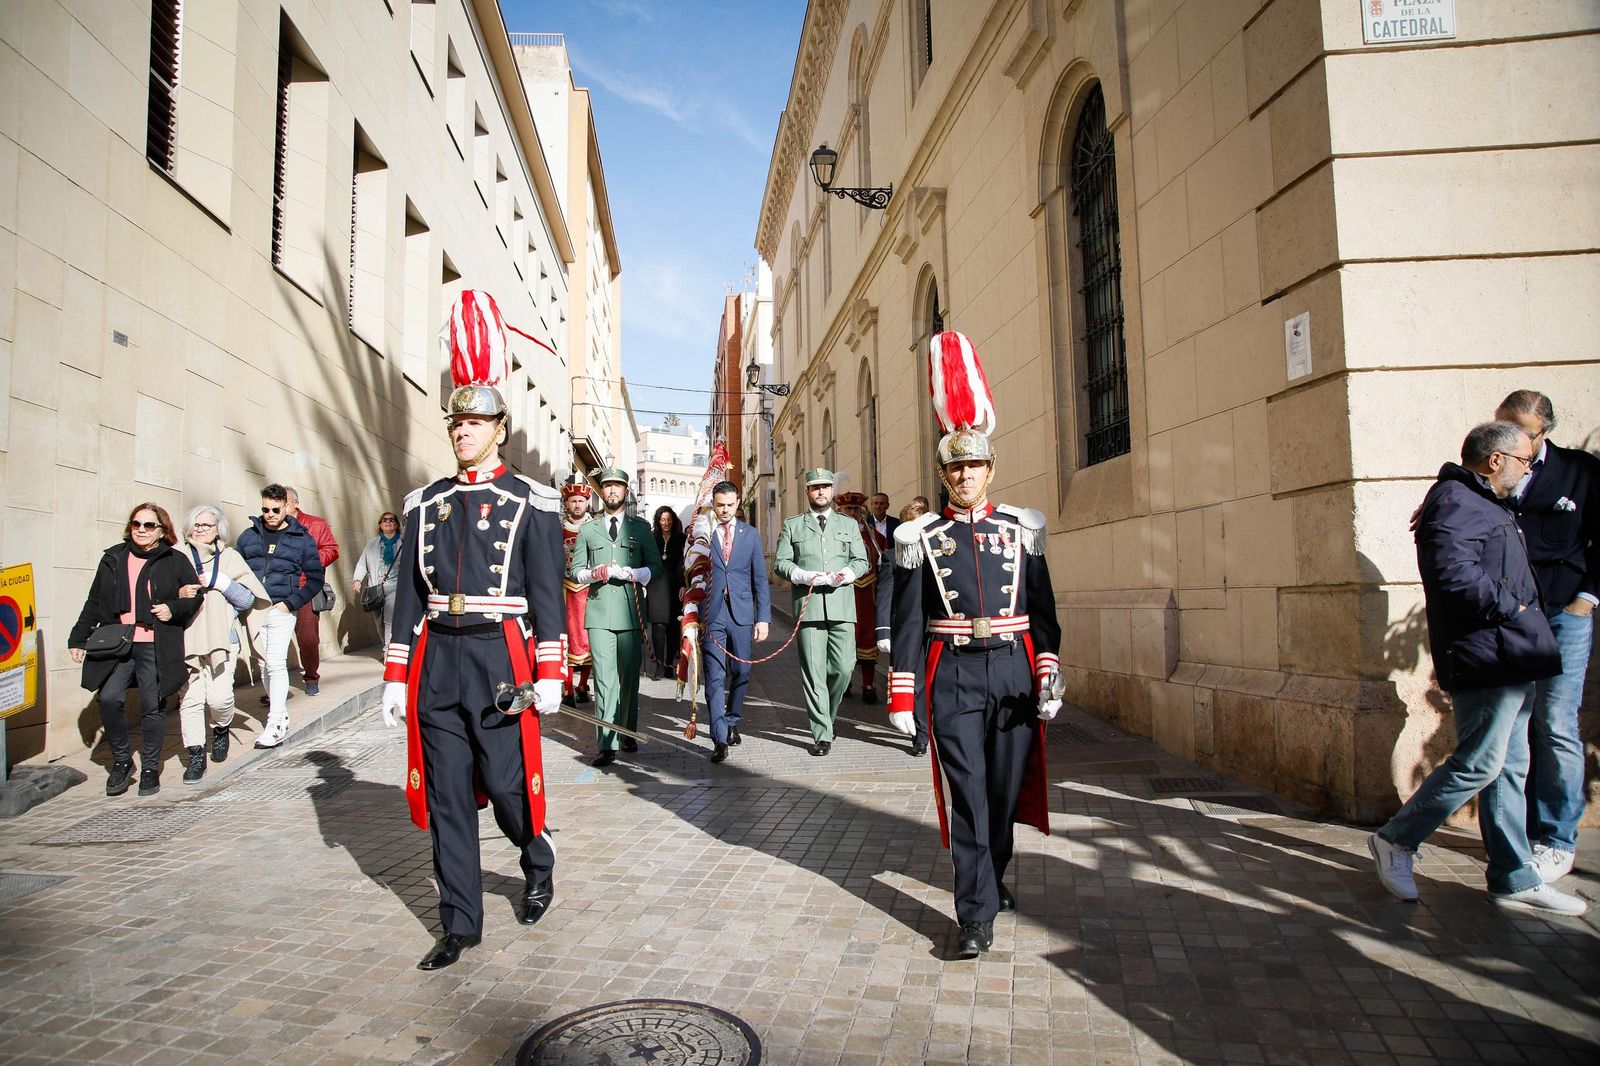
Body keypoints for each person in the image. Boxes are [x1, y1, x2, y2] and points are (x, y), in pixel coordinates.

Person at [378, 288, 567, 970]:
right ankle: (459, 922)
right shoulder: (425, 502)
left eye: (473, 422)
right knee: (448, 793)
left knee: (510, 787)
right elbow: (407, 597)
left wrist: (551, 671)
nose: (460, 431)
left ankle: (535, 855)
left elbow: (547, 594)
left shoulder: (531, 501)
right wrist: (396, 676)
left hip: (501, 658)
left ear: (499, 428)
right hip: (438, 658)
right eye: (454, 423)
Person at [888, 331, 1061, 958]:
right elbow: (907, 621)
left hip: (1013, 674)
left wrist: (1048, 671)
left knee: (1002, 792)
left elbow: (1042, 611)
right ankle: (975, 914)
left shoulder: (1022, 529)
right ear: (943, 473)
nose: (965, 475)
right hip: (954, 677)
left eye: (975, 465)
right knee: (967, 792)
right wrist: (903, 695)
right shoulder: (920, 536)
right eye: (954, 467)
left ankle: (995, 875)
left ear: (991, 469)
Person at [1370, 421, 1585, 915]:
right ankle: (1397, 839)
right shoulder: (1457, 501)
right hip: (1488, 654)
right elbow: (1454, 576)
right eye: (1525, 461)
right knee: (1482, 762)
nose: (1529, 471)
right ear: (1496, 460)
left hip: (1510, 653)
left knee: (1509, 767)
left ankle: (1513, 876)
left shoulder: (1477, 499)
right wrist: (1517, 611)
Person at [1495, 390, 1597, 885]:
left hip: (1563, 612)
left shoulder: (1580, 471)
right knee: (1513, 727)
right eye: (1505, 427)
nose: (1513, 440)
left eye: (1524, 432)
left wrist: (1586, 599)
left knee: (1556, 724)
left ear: (1544, 433)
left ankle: (1556, 838)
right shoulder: (1492, 469)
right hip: (1511, 617)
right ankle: (1515, 838)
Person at [68, 503, 202, 797]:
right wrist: (78, 639)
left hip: (155, 642)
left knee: (151, 705)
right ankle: (121, 762)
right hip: (119, 641)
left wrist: (173, 607)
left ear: (162, 530)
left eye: (149, 525)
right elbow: (94, 602)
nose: (141, 530)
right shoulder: (113, 558)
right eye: (136, 524)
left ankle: (151, 768)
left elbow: (194, 596)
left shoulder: (174, 560)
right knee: (109, 697)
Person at [569, 468, 664, 767]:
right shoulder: (588, 530)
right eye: (607, 486)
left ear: (626, 491)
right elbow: (575, 570)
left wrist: (635, 574)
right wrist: (591, 573)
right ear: (601, 491)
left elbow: (656, 566)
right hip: (597, 614)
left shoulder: (640, 528)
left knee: (628, 678)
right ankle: (607, 743)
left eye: (617, 486)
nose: (612, 491)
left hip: (630, 611)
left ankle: (627, 732)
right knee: (604, 681)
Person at [773, 468, 867, 756]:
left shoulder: (848, 524)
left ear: (831, 491)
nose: (821, 492)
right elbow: (781, 563)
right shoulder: (794, 526)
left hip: (841, 604)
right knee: (813, 673)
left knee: (842, 668)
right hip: (809, 606)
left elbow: (862, 560)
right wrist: (802, 575)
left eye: (825, 487)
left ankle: (827, 715)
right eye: (815, 488)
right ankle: (822, 733)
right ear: (808, 493)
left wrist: (848, 573)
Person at [175, 505, 267, 783]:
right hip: (185, 640)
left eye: (207, 526)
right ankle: (195, 755)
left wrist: (220, 583)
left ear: (219, 530)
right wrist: (178, 592)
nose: (201, 530)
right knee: (189, 700)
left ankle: (220, 726)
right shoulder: (176, 557)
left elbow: (249, 600)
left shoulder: (229, 557)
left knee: (220, 698)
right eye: (197, 525)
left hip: (223, 641)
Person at [237, 484, 325, 748]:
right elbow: (236, 570)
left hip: (281, 609)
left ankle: (275, 722)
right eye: (265, 509)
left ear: (287, 507)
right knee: (264, 665)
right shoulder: (248, 536)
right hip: (254, 609)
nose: (270, 514)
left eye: (276, 509)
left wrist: (290, 604)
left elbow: (315, 579)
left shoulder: (302, 539)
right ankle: (281, 714)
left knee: (275, 663)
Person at [699, 481, 771, 763]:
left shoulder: (750, 535)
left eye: (730, 505)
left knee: (741, 671)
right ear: (713, 505)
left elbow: (760, 580)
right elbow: (691, 571)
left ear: (738, 503)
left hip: (742, 613)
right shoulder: (702, 536)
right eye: (720, 505)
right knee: (714, 677)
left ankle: (731, 719)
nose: (725, 510)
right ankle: (719, 737)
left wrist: (763, 618)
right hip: (712, 613)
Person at [876, 498, 931, 756]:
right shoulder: (892, 557)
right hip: (907, 630)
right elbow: (885, 593)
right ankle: (921, 735)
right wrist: (883, 630)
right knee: (915, 683)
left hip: (936, 626)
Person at [285, 486, 338, 696]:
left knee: (308, 637)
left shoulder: (316, 524)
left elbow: (332, 549)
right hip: (280, 588)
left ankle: (311, 677)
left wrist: (312, 562)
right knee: (274, 641)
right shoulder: (271, 527)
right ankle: (274, 686)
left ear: (296, 503)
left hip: (306, 587)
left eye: (285, 502)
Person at [835, 490, 887, 704]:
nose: (852, 512)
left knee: (867, 639)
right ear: (839, 511)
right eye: (848, 509)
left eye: (855, 509)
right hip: (841, 594)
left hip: (868, 595)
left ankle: (868, 684)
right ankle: (845, 683)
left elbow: (884, 562)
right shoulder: (831, 534)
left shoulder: (872, 535)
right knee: (844, 640)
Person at [559, 482, 596, 706]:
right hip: (564, 590)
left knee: (589, 639)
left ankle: (582, 684)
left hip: (589, 590)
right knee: (567, 639)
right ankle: (567, 688)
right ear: (566, 503)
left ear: (587, 503)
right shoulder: (557, 529)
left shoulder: (596, 528)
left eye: (581, 501)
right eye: (573, 501)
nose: (577, 504)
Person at [648, 505, 688, 680]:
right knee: (657, 625)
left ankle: (669, 664)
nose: (666, 523)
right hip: (656, 584)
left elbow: (685, 564)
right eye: (663, 519)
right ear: (658, 521)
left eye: (669, 519)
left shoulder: (681, 539)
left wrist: (684, 584)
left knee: (672, 627)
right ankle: (658, 664)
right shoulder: (652, 537)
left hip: (675, 585)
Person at [351, 511, 403, 646]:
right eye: (384, 520)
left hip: (395, 587)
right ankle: (385, 645)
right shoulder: (373, 543)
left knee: (389, 620)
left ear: (397, 524)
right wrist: (357, 579)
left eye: (391, 520)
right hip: (376, 588)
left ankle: (388, 651)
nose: (388, 522)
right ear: (380, 525)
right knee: (379, 621)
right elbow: (362, 562)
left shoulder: (402, 543)